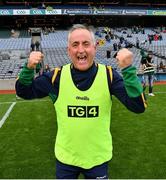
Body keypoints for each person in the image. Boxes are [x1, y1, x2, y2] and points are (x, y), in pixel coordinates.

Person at [15, 24, 146, 179]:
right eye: (75, 45)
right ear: (68, 50)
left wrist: (129, 70)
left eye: (86, 44)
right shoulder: (56, 77)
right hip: (66, 158)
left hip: (98, 158)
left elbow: (138, 107)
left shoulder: (109, 75)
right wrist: (28, 68)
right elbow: (24, 91)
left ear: (94, 47)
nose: (81, 50)